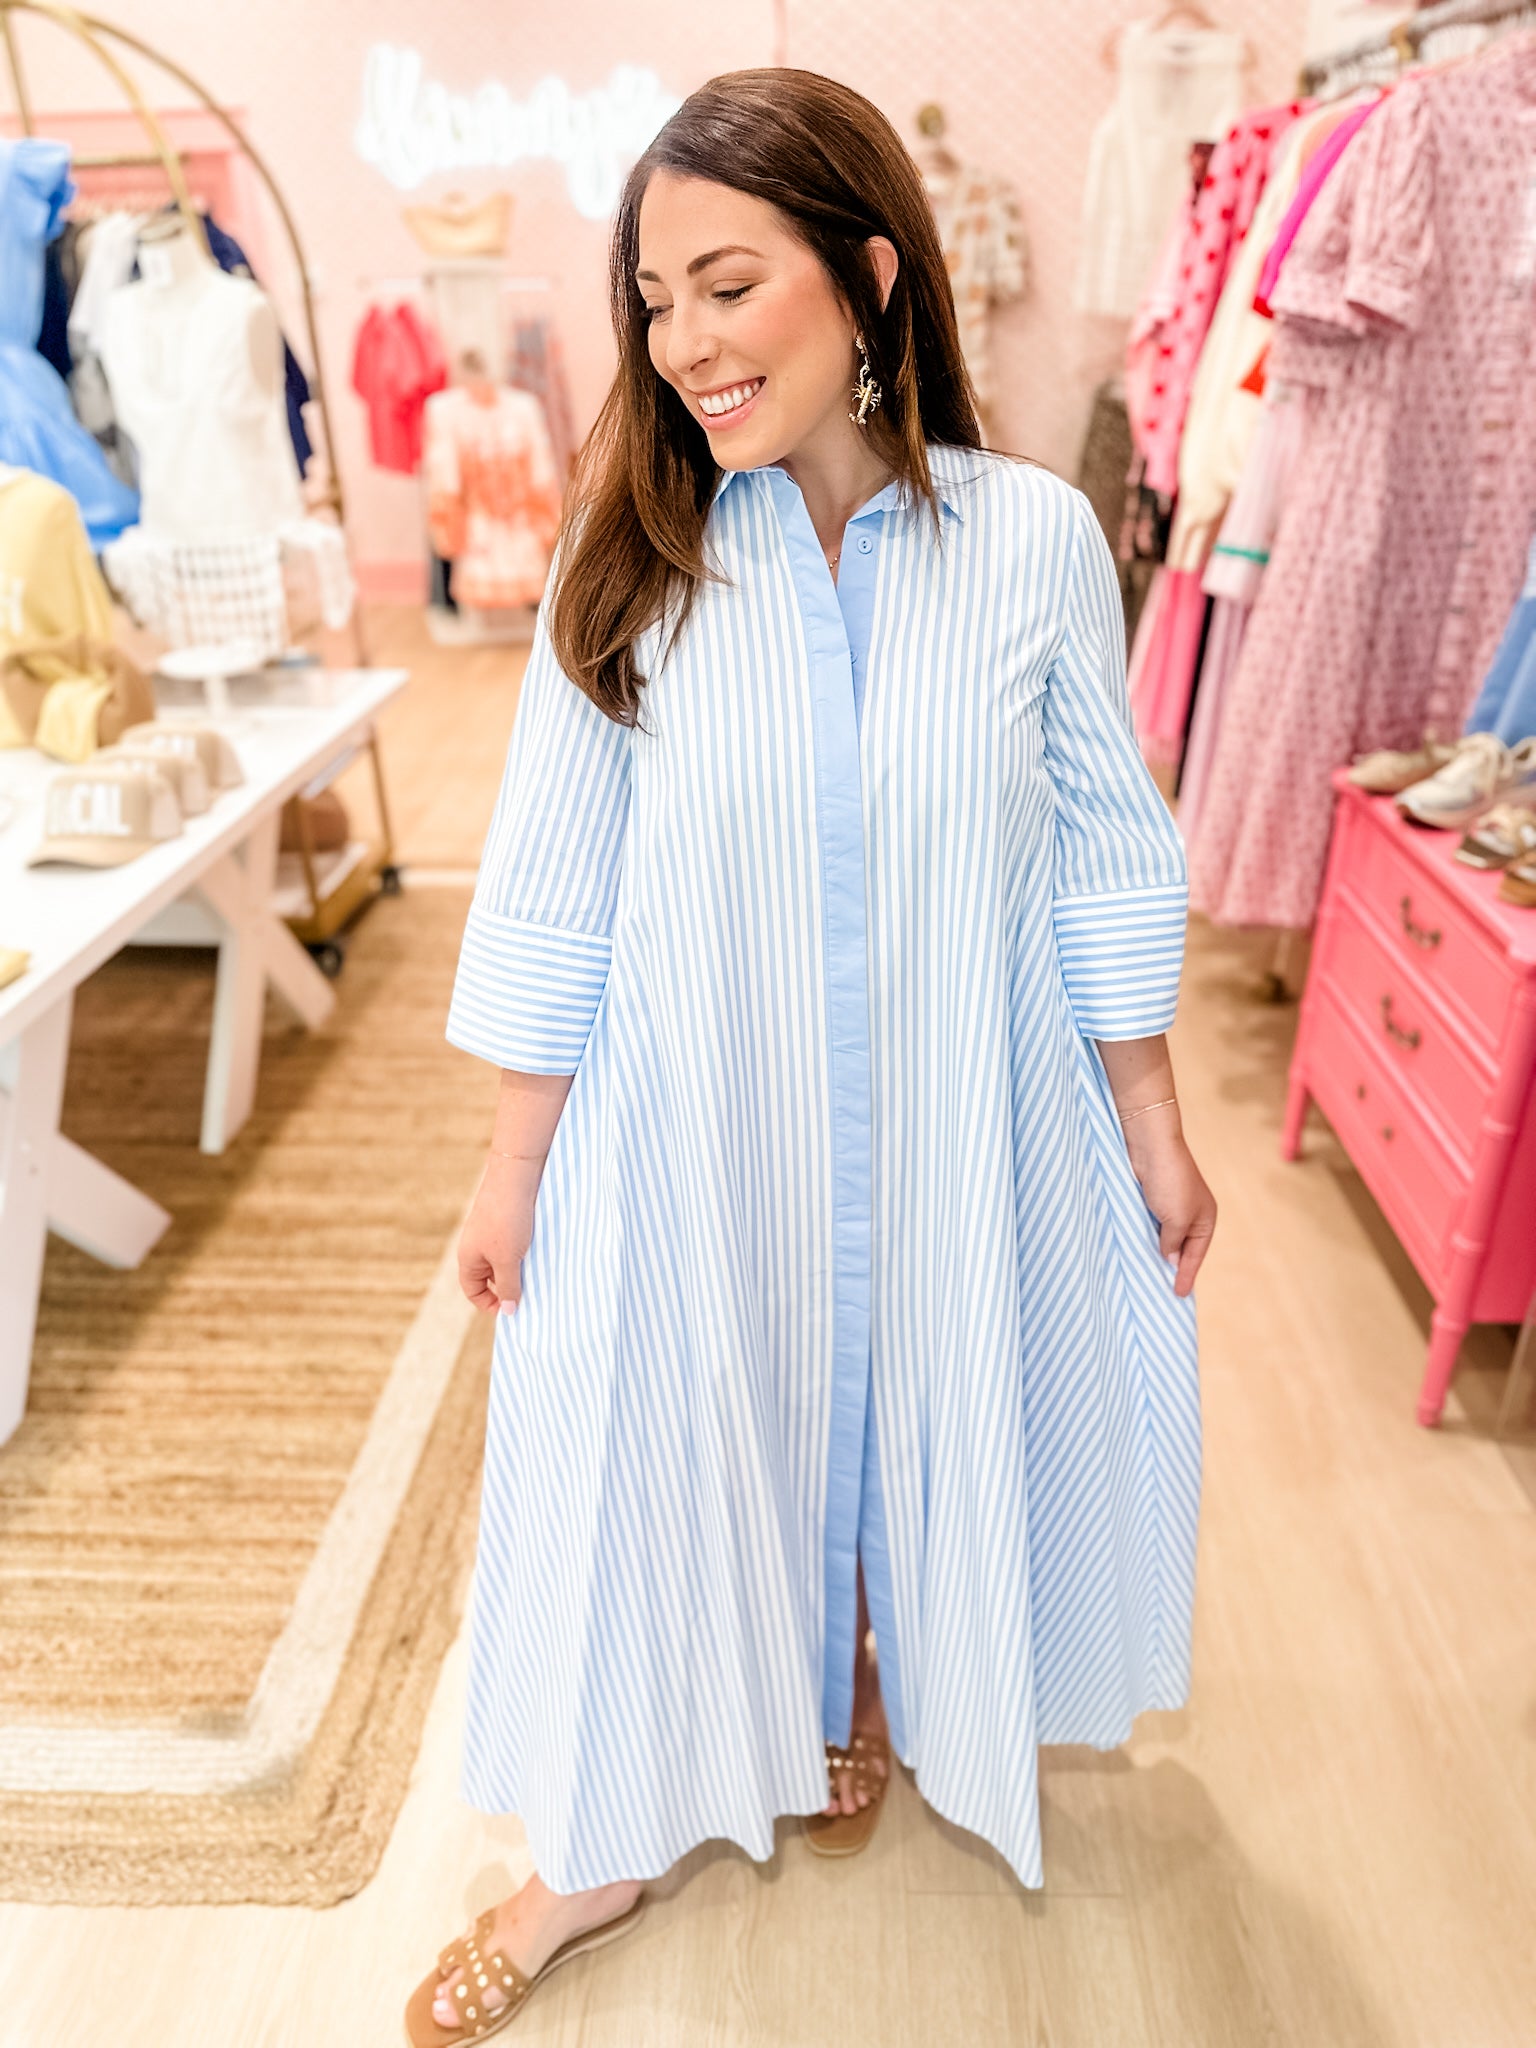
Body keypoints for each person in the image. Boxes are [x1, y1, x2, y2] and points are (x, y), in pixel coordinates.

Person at [408, 66, 1216, 2045]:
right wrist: (515, 1163)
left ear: (866, 276)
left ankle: (857, 1665)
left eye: (725, 283)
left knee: (918, 1374)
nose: (681, 341)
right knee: (671, 1423)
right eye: (652, 298)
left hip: (957, 1113)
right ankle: (599, 1844)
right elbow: (553, 873)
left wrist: (1151, 1114)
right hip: (699, 1124)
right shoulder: (637, 560)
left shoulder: (1030, 545)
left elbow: (1106, 832)